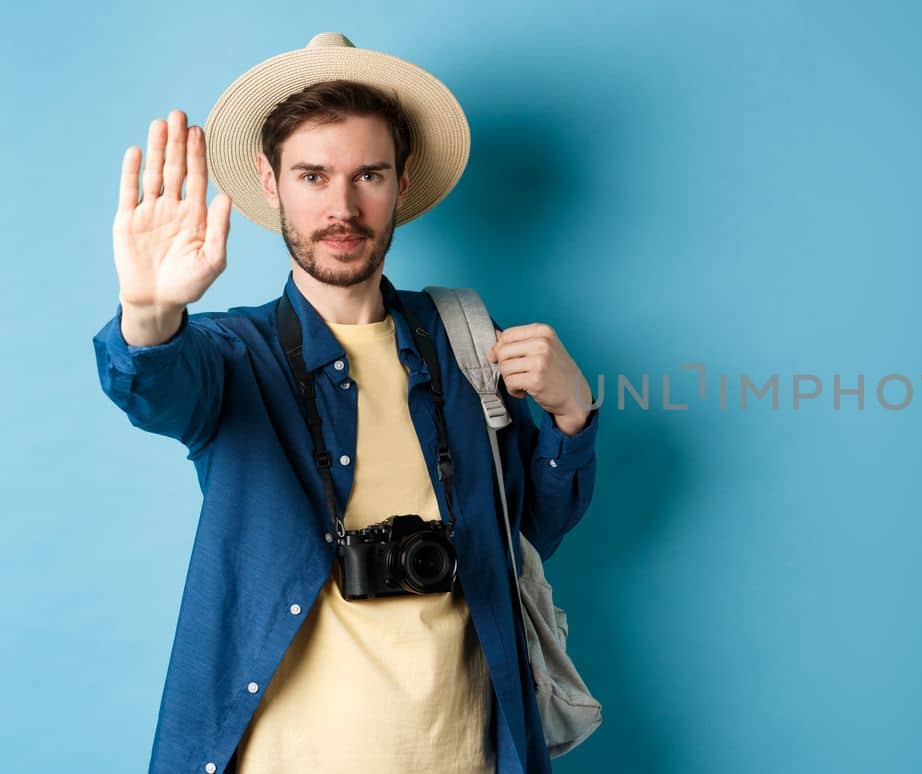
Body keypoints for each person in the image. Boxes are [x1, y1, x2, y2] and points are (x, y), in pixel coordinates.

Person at [91, 33, 599, 774]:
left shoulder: (464, 339)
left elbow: (527, 536)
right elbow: (153, 386)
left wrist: (572, 418)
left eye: (368, 175)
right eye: (313, 175)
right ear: (270, 181)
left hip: (466, 754)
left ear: (403, 179)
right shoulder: (237, 354)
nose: (341, 206)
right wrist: (146, 312)